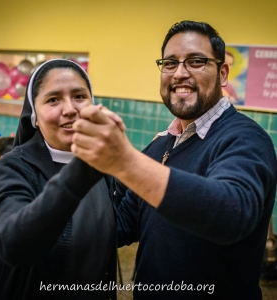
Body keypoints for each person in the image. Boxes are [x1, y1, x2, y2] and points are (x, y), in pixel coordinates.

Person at [71, 21, 277, 299]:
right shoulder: (161, 144)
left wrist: (126, 162)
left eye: (196, 61)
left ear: (223, 73)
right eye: (170, 63)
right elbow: (122, 224)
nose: (180, 73)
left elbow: (232, 214)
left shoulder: (245, 139)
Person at [0, 59, 120, 300]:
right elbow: (13, 245)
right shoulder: (13, 168)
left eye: (79, 96)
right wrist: (80, 172)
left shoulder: (102, 168)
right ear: (34, 115)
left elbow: (115, 227)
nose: (69, 109)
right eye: (53, 99)